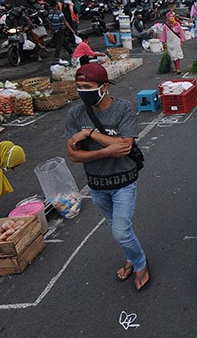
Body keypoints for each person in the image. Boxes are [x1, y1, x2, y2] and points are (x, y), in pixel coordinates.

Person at [65, 63, 150, 291]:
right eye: (78, 86)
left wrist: (90, 134)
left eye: (87, 86)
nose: (82, 91)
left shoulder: (123, 109)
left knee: (120, 231)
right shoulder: (75, 113)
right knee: (119, 229)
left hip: (123, 182)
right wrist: (106, 151)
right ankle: (131, 257)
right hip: (96, 184)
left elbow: (125, 145)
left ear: (104, 87)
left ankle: (140, 264)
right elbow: (73, 155)